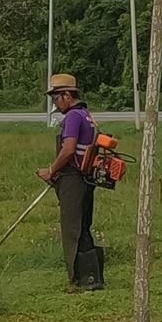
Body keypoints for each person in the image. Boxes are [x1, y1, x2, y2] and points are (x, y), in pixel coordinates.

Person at [37, 73, 104, 291]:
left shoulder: (74, 117)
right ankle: (93, 277)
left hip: (74, 178)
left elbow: (68, 150)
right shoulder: (86, 114)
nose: (55, 102)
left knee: (74, 227)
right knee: (84, 225)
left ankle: (86, 279)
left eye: (56, 97)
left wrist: (51, 170)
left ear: (67, 94)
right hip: (87, 177)